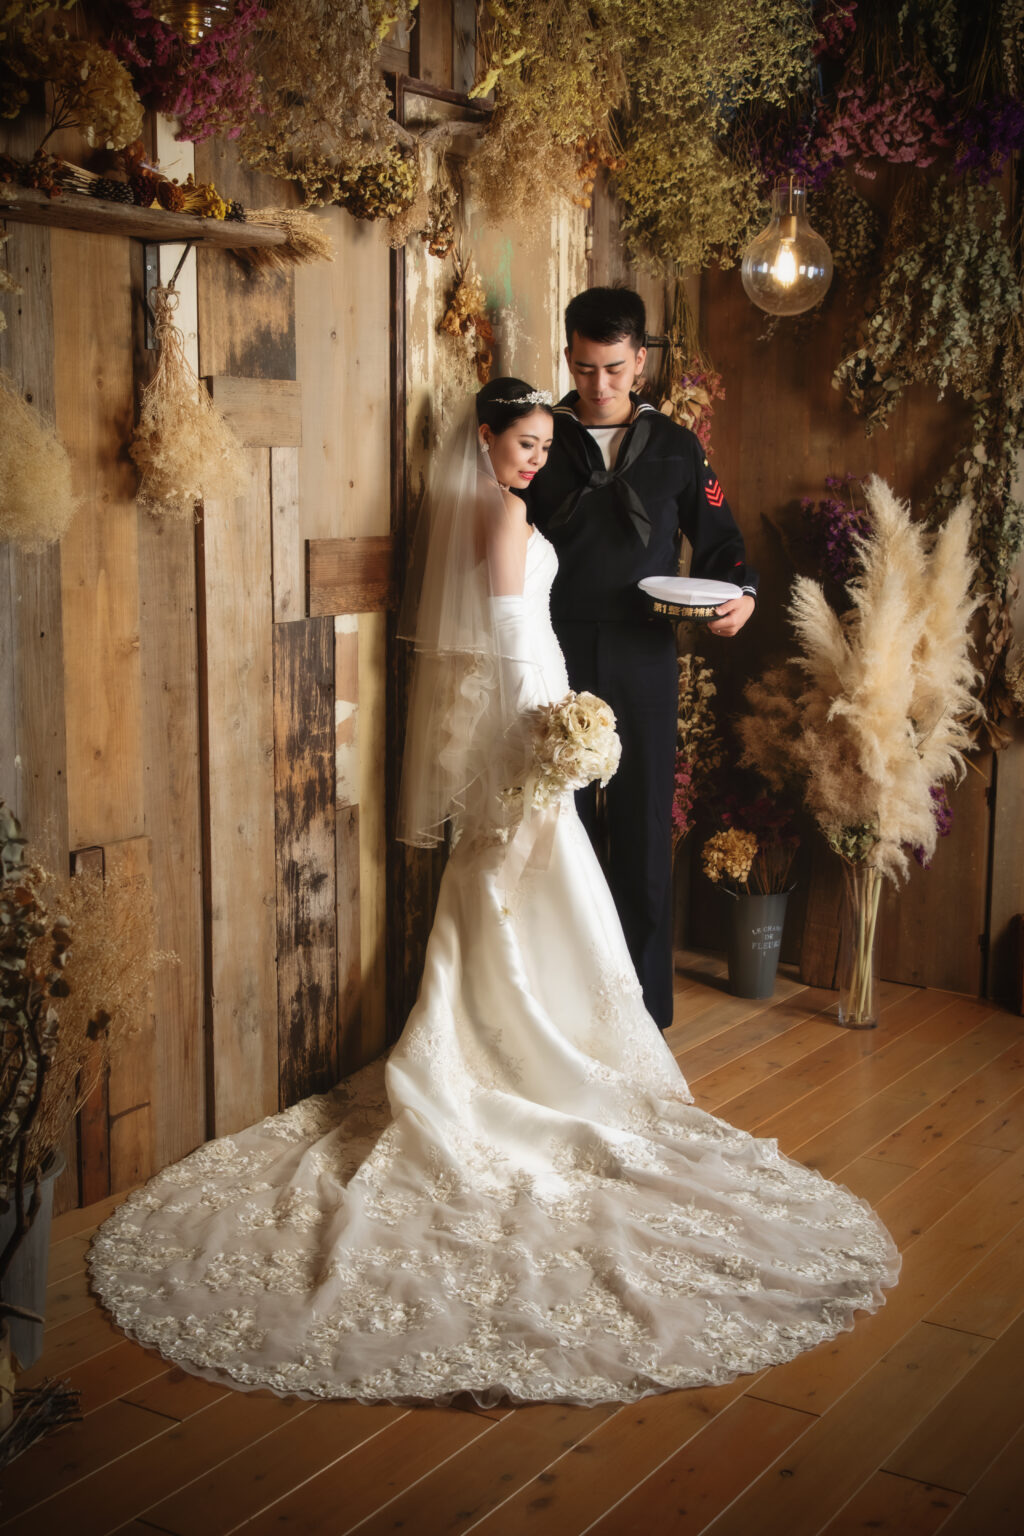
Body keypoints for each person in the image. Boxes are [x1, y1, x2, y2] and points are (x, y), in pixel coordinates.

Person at [89, 379, 898, 1407]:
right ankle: (506, 1042)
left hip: (535, 695)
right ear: (486, 439)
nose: (535, 461)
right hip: (532, 701)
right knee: (528, 880)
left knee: (519, 886)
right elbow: (512, 630)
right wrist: (552, 733)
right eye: (524, 445)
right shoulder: (504, 515)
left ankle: (517, 1030)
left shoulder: (490, 505)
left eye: (544, 447)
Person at [529, 287, 756, 1031]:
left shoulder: (676, 447)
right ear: (568, 356)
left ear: (640, 362)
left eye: (615, 368)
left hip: (645, 653)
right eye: (585, 368)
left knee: (643, 827)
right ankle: (562, 1001)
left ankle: (643, 1011)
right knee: (560, 825)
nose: (599, 385)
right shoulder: (540, 438)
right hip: (553, 652)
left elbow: (721, 544)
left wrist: (742, 596)